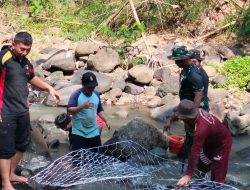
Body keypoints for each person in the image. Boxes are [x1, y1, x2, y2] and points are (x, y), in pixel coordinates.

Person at [0, 32, 61, 190]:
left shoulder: (25, 62)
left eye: (28, 49)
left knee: (22, 144)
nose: (25, 52)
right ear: (14, 44)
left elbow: (31, 77)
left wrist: (48, 88)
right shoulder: (4, 58)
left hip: (22, 110)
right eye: (22, 49)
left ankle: (12, 173)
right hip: (6, 111)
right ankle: (6, 183)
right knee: (5, 148)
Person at [164, 46, 209, 158]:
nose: (175, 63)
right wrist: (172, 118)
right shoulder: (185, 70)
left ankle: (198, 164)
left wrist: (193, 114)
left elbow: (199, 94)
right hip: (187, 108)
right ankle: (188, 157)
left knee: (197, 139)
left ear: (183, 59)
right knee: (189, 136)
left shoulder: (193, 74)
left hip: (197, 110)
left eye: (177, 60)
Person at [174, 100, 232, 186]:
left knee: (217, 178)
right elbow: (179, 114)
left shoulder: (201, 128)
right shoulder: (198, 111)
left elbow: (195, 151)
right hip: (209, 143)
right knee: (201, 168)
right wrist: (170, 120)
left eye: (183, 119)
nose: (182, 120)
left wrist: (188, 175)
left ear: (188, 118)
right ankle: (202, 185)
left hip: (222, 145)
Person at [67, 71, 111, 151]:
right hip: (78, 131)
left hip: (93, 131)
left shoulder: (96, 95)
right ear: (83, 84)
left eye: (93, 87)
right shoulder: (76, 94)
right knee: (78, 158)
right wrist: (82, 106)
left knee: (96, 156)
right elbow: (70, 110)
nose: (91, 89)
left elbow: (99, 110)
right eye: (89, 87)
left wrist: (106, 120)